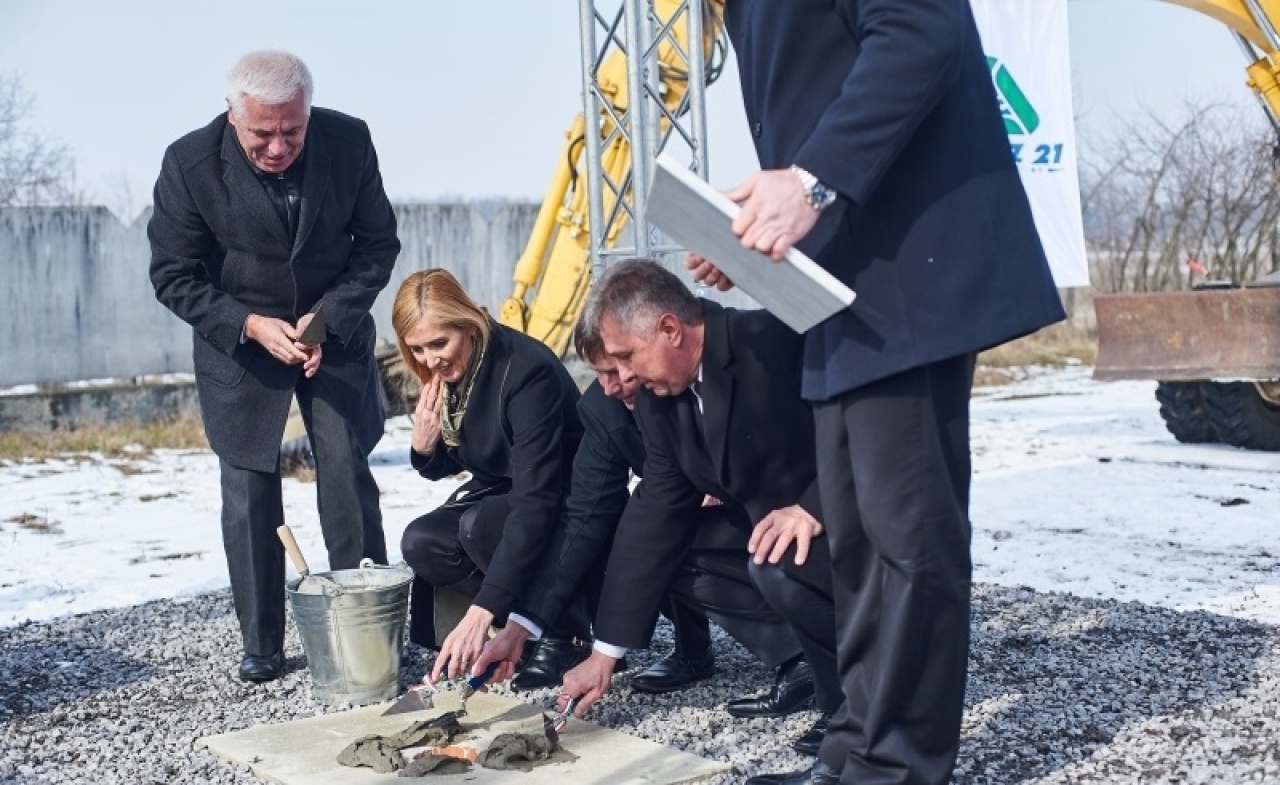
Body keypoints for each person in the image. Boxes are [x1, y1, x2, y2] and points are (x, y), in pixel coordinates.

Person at [689, 4, 1067, 783]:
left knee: (907, 539)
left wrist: (811, 183)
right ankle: (857, 748)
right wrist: (763, 227)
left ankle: (898, 765)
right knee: (856, 541)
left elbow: (923, 31)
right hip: (842, 281)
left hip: (906, 271)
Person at [148, 50, 399, 683]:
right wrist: (249, 325)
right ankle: (261, 641)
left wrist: (326, 321)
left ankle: (365, 631)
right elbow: (173, 275)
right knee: (250, 493)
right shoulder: (189, 163)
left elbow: (376, 246)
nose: (279, 145)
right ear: (234, 117)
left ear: (309, 112)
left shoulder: (350, 140)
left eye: (293, 129)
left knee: (346, 475)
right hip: (240, 341)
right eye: (263, 132)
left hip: (331, 332)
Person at [555, 259, 843, 747]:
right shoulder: (658, 397)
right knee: (697, 549)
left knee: (774, 566)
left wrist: (813, 507)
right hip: (771, 531)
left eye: (626, 356)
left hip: (849, 518)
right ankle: (815, 678)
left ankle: (855, 713)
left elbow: (860, 424)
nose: (620, 377)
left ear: (670, 329)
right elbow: (656, 510)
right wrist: (604, 653)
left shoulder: (772, 340)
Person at [477, 317, 754, 700]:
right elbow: (583, 516)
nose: (611, 386)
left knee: (669, 525)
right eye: (599, 373)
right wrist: (518, 629)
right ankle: (694, 651)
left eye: (619, 369)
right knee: (646, 529)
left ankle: (800, 658)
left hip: (768, 508)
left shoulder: (700, 376)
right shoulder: (602, 408)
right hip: (678, 508)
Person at [391, 268, 589, 687]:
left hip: (567, 498)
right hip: (510, 490)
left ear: (466, 322)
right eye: (418, 349)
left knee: (478, 525)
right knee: (422, 542)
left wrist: (482, 607)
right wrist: (425, 449)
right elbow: (475, 452)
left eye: (439, 343)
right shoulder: (455, 373)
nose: (430, 359)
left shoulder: (525, 371)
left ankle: (563, 634)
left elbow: (537, 498)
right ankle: (518, 627)